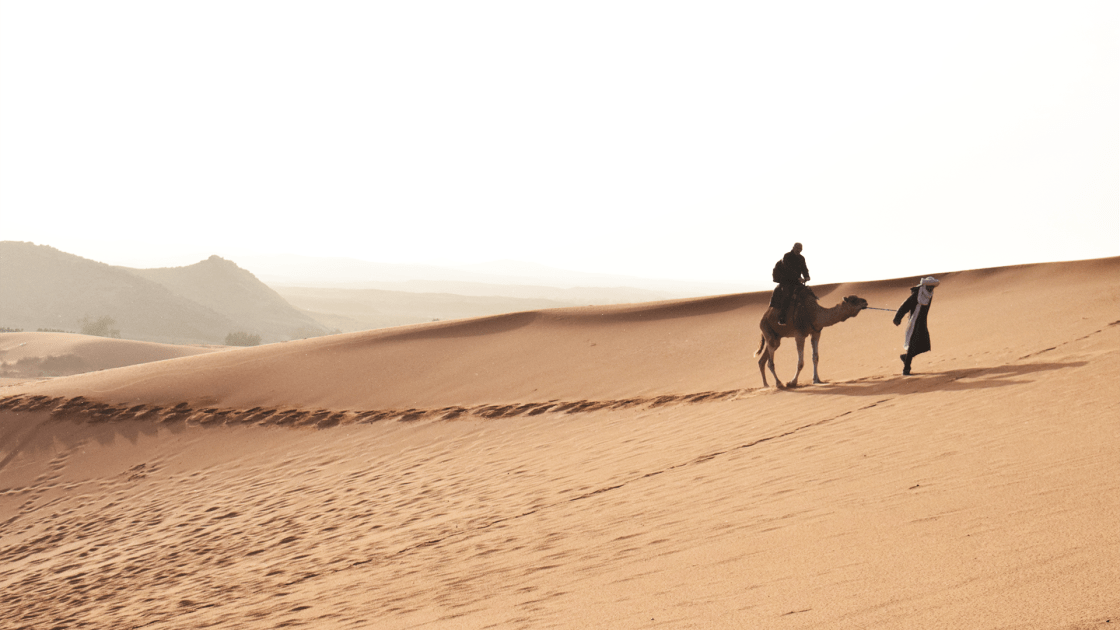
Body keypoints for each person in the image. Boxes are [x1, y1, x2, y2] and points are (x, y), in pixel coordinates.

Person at [893, 276, 940, 375]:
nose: (931, 289)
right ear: (925, 286)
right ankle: (906, 369)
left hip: (922, 323)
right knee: (913, 344)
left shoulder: (928, 295)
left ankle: (905, 358)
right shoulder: (917, 294)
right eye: (930, 287)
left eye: (932, 287)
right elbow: (905, 306)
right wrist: (898, 318)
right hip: (914, 323)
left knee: (925, 345)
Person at [770, 242, 811, 326]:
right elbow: (788, 269)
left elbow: (804, 268)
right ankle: (782, 318)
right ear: (793, 248)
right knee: (787, 295)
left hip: (797, 281)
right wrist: (798, 278)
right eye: (797, 248)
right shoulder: (787, 256)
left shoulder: (801, 258)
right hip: (786, 280)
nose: (798, 250)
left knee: (808, 293)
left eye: (800, 249)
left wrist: (807, 276)